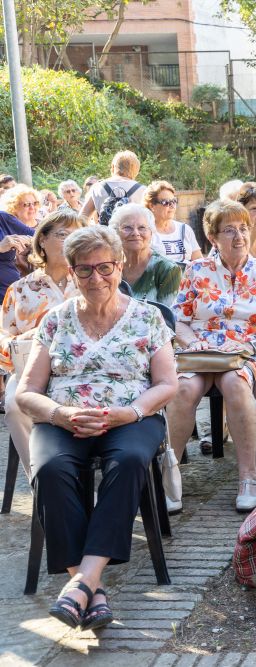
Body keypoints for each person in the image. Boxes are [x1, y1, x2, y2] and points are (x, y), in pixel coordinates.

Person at [16, 225, 178, 630]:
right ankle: (91, 586)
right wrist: (59, 414)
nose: (96, 277)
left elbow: (167, 384)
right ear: (72, 272)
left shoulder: (148, 318)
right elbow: (27, 392)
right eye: (84, 269)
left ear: (120, 266)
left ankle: (81, 583)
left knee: (129, 461)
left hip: (131, 418)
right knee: (50, 468)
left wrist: (131, 412)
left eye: (104, 267)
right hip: (64, 419)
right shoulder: (55, 320)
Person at [167, 200, 256, 513]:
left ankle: (249, 477)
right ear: (213, 237)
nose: (239, 236)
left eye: (243, 228)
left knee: (235, 382)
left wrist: (249, 347)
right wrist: (193, 343)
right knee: (183, 388)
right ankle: (170, 474)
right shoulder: (195, 271)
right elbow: (178, 319)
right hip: (200, 352)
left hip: (245, 352)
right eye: (230, 230)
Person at [1, 211, 84, 476]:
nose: (70, 241)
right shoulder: (20, 289)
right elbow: (3, 341)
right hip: (31, 368)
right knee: (15, 405)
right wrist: (30, 337)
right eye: (62, 234)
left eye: (77, 236)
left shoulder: (91, 282)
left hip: (86, 368)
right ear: (42, 241)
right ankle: (41, 480)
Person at [112, 204, 182, 304]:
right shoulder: (109, 265)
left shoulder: (168, 270)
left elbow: (167, 313)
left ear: (151, 233)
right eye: (127, 228)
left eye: (142, 227)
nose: (135, 233)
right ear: (116, 233)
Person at [145, 181, 202, 264]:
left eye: (174, 201)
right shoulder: (146, 232)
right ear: (152, 205)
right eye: (165, 202)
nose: (172, 206)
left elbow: (199, 261)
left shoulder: (185, 229)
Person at [79, 151, 146, 222]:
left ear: (113, 167)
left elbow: (82, 218)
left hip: (105, 229)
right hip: (132, 229)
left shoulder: (97, 187)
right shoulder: (143, 190)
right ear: (136, 171)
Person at [0, 205, 36, 299]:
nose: (31, 206)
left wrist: (26, 239)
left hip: (13, 290)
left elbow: (39, 235)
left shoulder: (3, 217)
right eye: (26, 204)